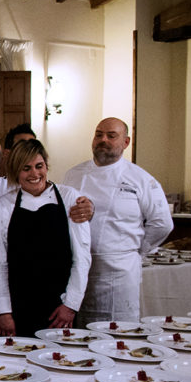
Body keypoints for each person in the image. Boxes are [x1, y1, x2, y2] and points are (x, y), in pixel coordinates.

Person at [62, 117, 173, 323]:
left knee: (118, 334)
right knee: (78, 336)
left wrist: (135, 249)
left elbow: (162, 223)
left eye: (111, 136)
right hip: (79, 270)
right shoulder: (73, 175)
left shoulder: (140, 179)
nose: (103, 139)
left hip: (120, 273)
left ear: (126, 142)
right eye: (98, 134)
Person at [0, 140, 92, 336]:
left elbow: (82, 258)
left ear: (46, 166)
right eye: (26, 168)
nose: (35, 174)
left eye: (39, 166)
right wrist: (3, 311)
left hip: (58, 307)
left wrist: (70, 305)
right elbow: (0, 262)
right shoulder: (4, 205)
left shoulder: (69, 197)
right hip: (18, 304)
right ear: (15, 172)